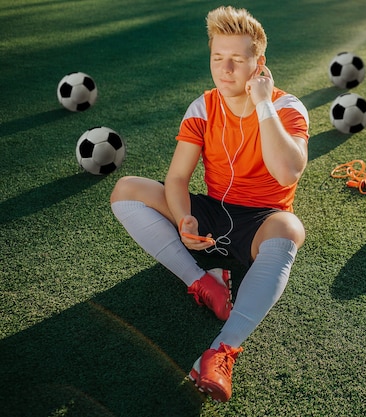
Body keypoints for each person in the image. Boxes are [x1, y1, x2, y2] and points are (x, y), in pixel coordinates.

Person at [109, 6, 309, 402]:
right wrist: (184, 218)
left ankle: (222, 350)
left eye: (237, 59)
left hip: (261, 221)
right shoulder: (202, 107)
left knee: (290, 228)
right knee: (126, 189)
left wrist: (263, 104)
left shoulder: (287, 108)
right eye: (218, 58)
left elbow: (287, 172)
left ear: (259, 64)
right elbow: (178, 178)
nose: (226, 69)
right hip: (213, 211)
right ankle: (202, 281)